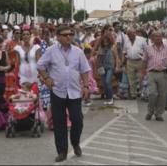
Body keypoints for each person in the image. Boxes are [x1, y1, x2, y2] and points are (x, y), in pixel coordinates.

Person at [37, 25, 90, 163]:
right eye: (65, 35)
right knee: (59, 123)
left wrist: (85, 86)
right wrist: (47, 78)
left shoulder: (78, 52)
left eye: (71, 35)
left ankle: (75, 142)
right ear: (58, 37)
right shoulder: (51, 51)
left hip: (74, 92)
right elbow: (40, 65)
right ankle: (62, 151)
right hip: (57, 91)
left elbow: (84, 70)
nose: (68, 37)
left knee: (77, 120)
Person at [142, 31, 167, 122]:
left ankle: (159, 114)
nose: (158, 38)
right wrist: (143, 72)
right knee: (152, 93)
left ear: (162, 37)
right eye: (156, 36)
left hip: (163, 73)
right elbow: (144, 61)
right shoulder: (148, 48)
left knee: (162, 95)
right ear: (152, 38)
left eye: (159, 36)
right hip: (151, 73)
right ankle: (150, 111)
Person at [96, 28, 120, 105]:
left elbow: (116, 57)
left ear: (109, 40)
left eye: (107, 40)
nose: (105, 42)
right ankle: (108, 97)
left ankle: (110, 98)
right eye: (104, 40)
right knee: (104, 83)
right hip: (102, 67)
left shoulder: (113, 47)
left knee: (108, 81)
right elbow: (98, 58)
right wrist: (98, 68)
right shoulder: (101, 48)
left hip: (110, 67)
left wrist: (117, 67)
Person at [124, 27, 148, 100]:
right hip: (130, 61)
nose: (128, 35)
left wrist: (146, 62)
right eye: (127, 34)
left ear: (134, 33)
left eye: (130, 34)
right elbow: (124, 52)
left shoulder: (142, 40)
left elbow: (146, 51)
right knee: (131, 79)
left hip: (140, 61)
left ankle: (141, 93)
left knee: (141, 78)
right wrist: (124, 63)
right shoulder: (126, 41)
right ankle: (133, 94)